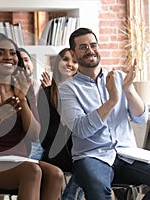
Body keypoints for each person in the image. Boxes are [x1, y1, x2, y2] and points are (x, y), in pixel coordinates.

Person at [0, 32, 63, 200]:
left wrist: (22, 99)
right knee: (32, 171)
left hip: (18, 159)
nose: (8, 57)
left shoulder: (24, 87)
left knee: (56, 174)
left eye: (12, 53)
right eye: (0, 53)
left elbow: (34, 134)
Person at [58, 27, 150, 200]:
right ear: (74, 53)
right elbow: (81, 129)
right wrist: (112, 101)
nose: (90, 50)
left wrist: (128, 89)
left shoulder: (120, 77)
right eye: (83, 47)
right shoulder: (67, 89)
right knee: (99, 190)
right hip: (92, 156)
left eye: (93, 45)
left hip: (127, 154)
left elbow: (141, 117)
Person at [38, 48, 83, 200]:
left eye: (75, 61)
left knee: (89, 163)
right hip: (56, 153)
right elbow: (45, 136)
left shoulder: (83, 93)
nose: (70, 64)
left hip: (80, 151)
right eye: (65, 59)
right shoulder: (46, 94)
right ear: (58, 62)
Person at [19, 47, 44, 160]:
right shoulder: (12, 88)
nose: (24, 64)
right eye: (20, 61)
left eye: (26, 60)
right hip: (26, 138)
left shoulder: (42, 86)